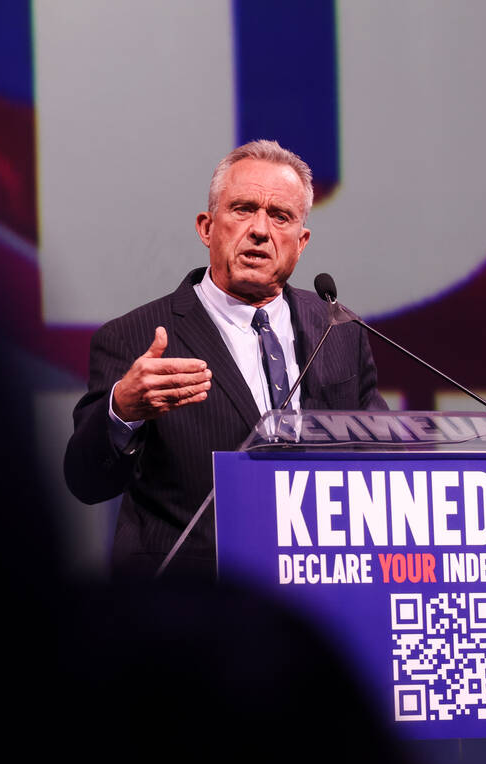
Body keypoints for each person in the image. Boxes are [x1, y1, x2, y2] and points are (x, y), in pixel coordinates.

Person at [64, 140, 387, 581]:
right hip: (188, 603)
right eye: (243, 209)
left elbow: (382, 459)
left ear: (301, 241)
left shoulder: (341, 331)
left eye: (280, 216)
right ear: (206, 227)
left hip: (319, 594)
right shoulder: (134, 337)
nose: (260, 230)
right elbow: (86, 481)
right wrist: (123, 410)